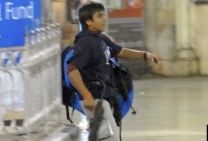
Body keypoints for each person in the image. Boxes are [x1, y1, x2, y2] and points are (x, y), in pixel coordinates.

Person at [67, 1, 159, 141]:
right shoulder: (86, 42)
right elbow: (72, 69)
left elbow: (122, 51)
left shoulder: (101, 39)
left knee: (104, 137)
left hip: (104, 97)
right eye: (99, 16)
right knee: (110, 138)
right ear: (88, 21)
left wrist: (144, 55)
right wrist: (86, 95)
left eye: (104, 15)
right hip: (95, 98)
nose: (104, 19)